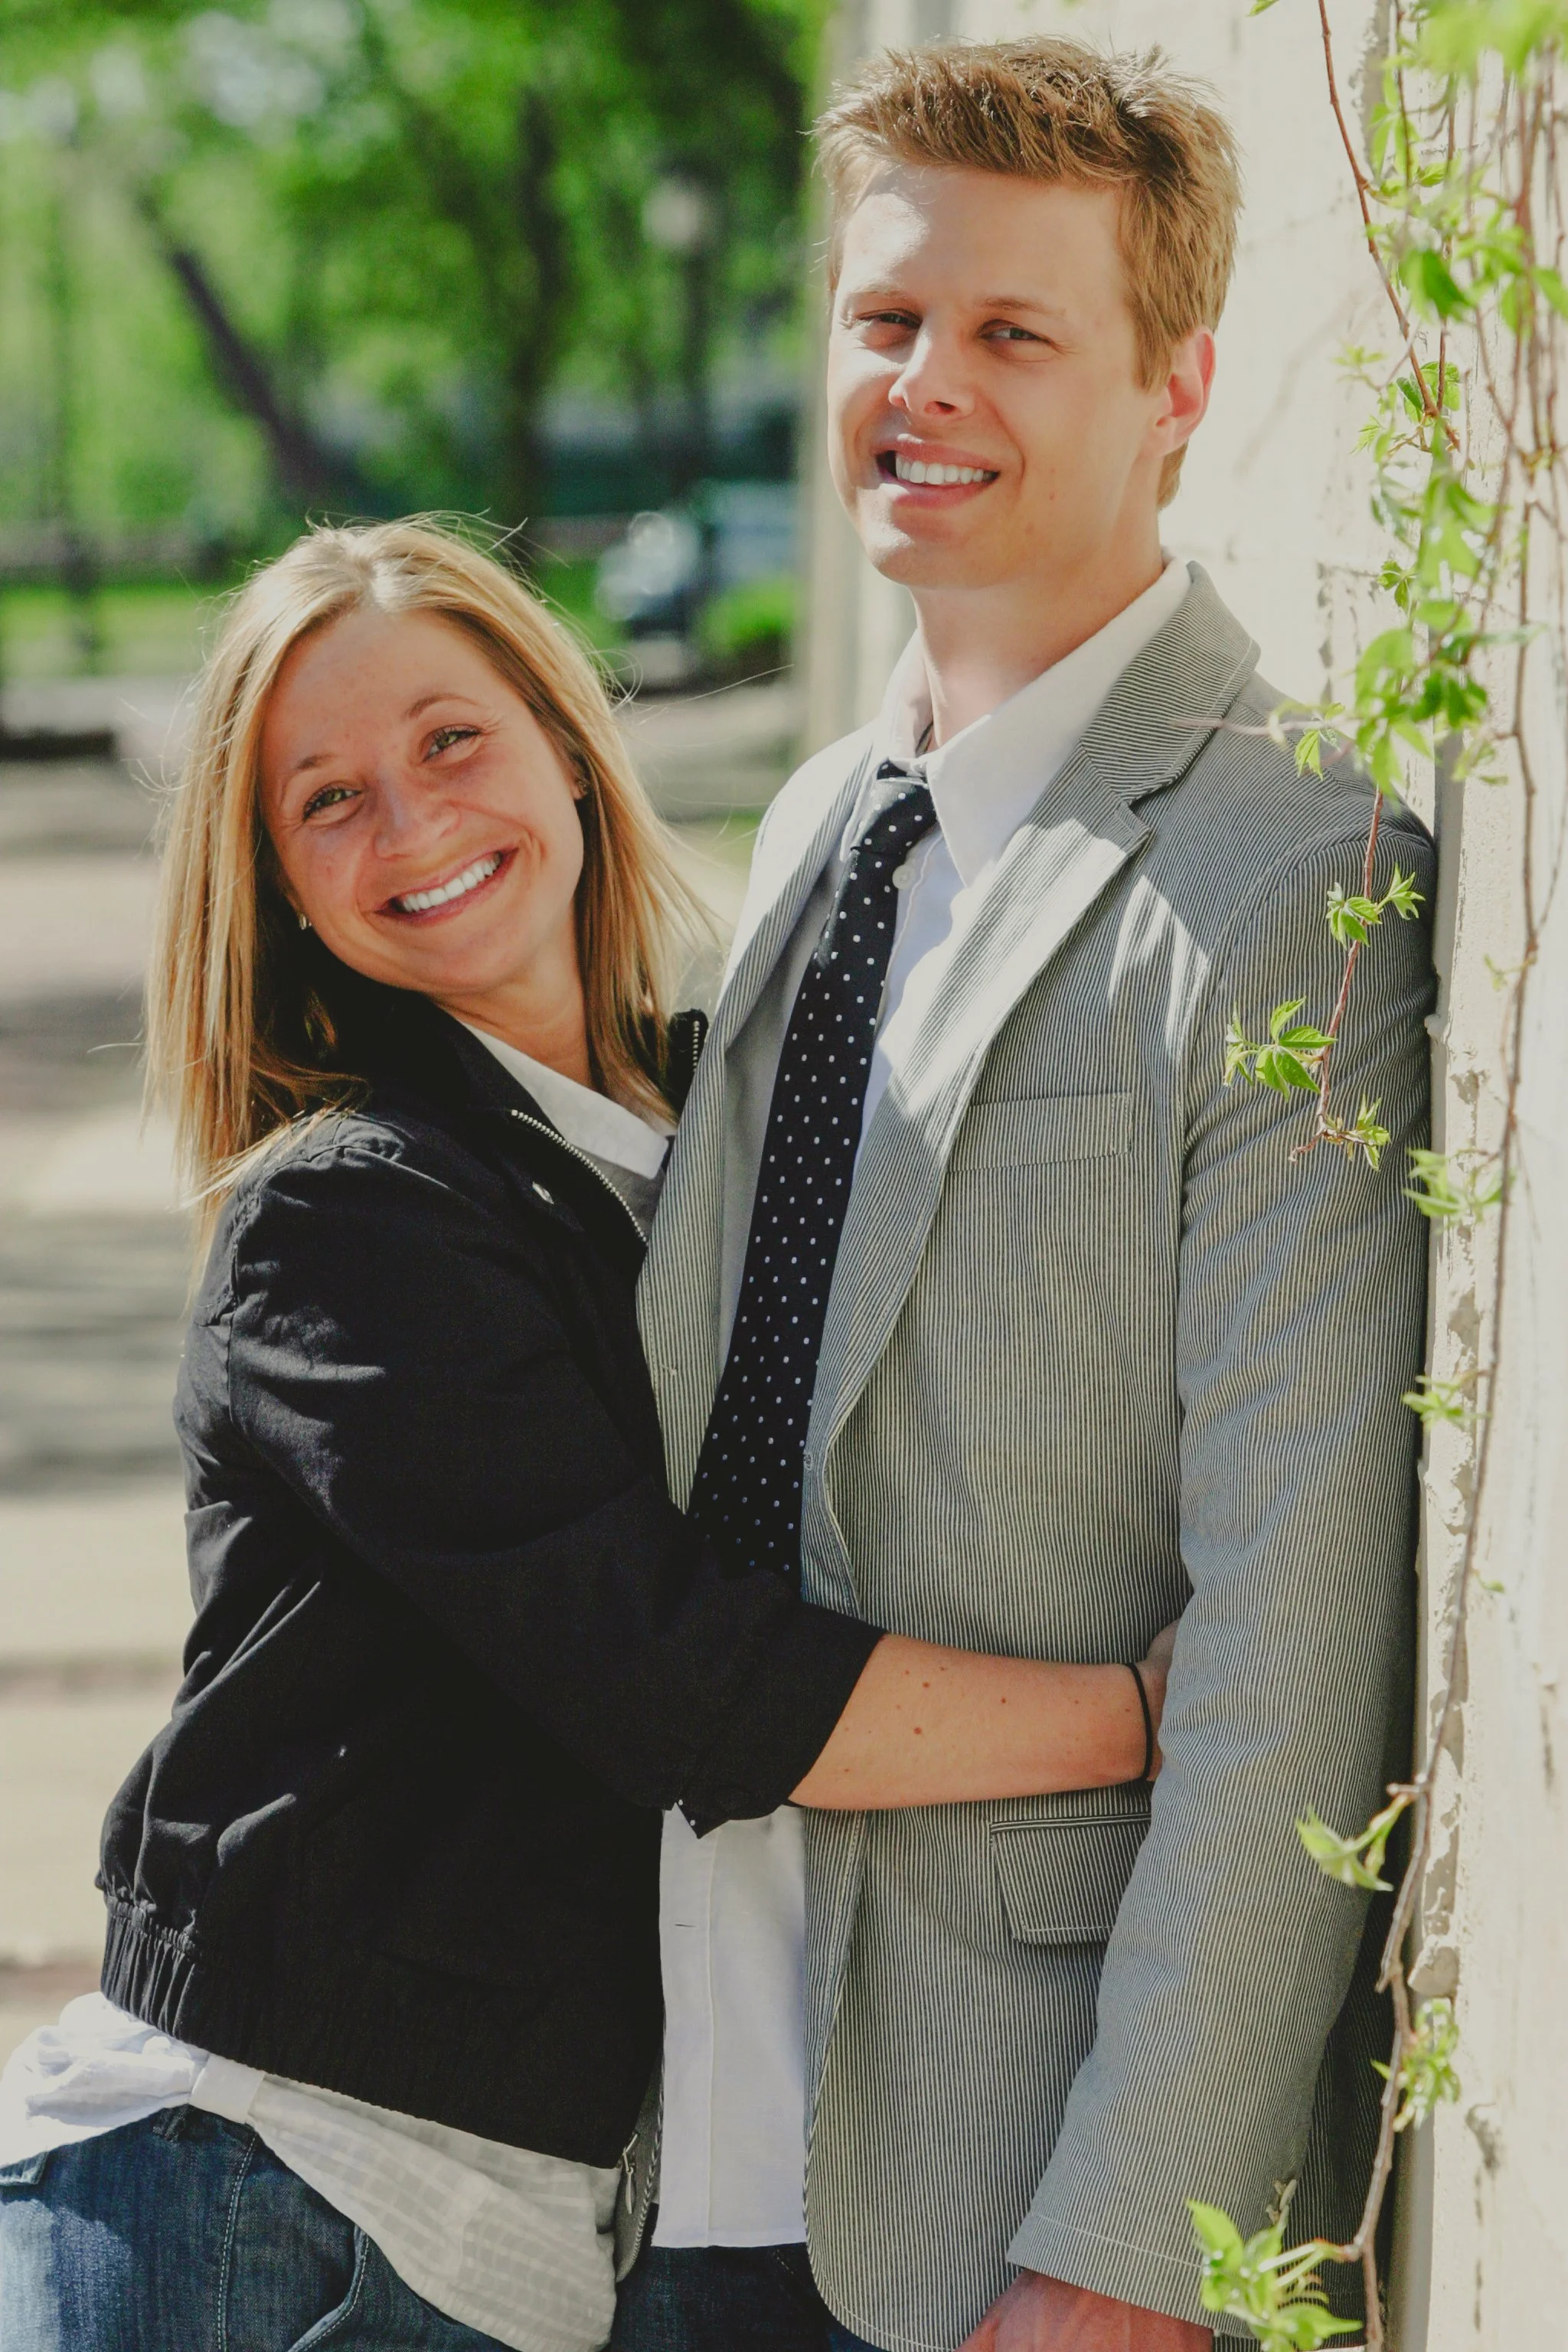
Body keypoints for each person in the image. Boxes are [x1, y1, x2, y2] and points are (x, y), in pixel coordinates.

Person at [0, 520, 1178, 2352]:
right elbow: (675, 1681)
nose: (411, 825)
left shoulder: (717, 1129)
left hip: (512, 2239)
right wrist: (1148, 1720)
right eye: (329, 799)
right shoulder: (349, 1220)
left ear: (564, 741)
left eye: (453, 742)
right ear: (282, 890)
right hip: (258, 2198)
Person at [617, 36, 1434, 2352]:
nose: (925, 384)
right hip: (667, 2120)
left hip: (992, 2187)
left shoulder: (1294, 880)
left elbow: (1287, 1654)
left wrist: (1124, 2259)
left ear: (1177, 391)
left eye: (1011, 332)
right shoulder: (814, 830)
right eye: (889, 321)